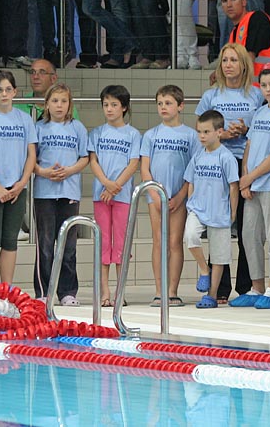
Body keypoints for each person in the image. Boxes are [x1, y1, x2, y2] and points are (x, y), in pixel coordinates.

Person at [195, 43, 263, 303]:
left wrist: (245, 130)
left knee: (247, 228)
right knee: (218, 225)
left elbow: (262, 132)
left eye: (234, 60)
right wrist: (220, 135)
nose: (229, 65)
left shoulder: (255, 95)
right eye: (225, 60)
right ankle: (219, 287)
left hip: (244, 163)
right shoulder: (212, 95)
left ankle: (246, 286)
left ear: (243, 64)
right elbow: (200, 129)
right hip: (217, 164)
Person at [229, 68, 270, 308]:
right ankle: (256, 287)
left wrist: (251, 178)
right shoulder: (259, 113)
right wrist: (245, 175)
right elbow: (249, 146)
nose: (268, 89)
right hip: (253, 183)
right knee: (249, 234)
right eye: (264, 85)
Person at [0, 70, 38, 285]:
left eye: (8, 89)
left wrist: (22, 183)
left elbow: (31, 154)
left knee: (11, 240)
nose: (4, 94)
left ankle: (7, 287)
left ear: (15, 92)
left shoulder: (25, 119)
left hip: (17, 187)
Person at [141, 84, 199, 307]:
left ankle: (172, 290)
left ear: (180, 106)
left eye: (168, 103)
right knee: (159, 241)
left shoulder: (191, 136)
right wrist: (155, 193)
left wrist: (181, 194)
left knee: (175, 242)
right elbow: (145, 167)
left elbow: (193, 170)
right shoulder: (150, 135)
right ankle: (159, 290)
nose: (163, 107)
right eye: (160, 104)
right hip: (156, 195)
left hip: (179, 196)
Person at [33, 83, 89, 305]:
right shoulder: (38, 128)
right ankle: (43, 291)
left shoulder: (78, 128)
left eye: (63, 101)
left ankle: (67, 292)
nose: (59, 105)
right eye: (55, 101)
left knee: (68, 245)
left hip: (69, 190)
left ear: (69, 105)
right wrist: (44, 172)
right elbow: (31, 160)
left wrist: (69, 171)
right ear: (46, 104)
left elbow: (84, 158)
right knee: (45, 245)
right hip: (44, 192)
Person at [88, 84, 141, 307]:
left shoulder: (133, 134)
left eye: (114, 105)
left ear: (124, 108)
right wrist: (106, 185)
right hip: (101, 193)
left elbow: (133, 163)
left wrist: (116, 186)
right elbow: (93, 161)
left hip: (122, 195)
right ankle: (105, 291)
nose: (109, 109)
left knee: (120, 243)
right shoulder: (97, 133)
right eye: (106, 105)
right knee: (103, 242)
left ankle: (120, 291)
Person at [184, 109, 239, 309]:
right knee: (190, 237)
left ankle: (212, 295)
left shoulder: (226, 157)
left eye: (206, 132)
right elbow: (190, 180)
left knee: (219, 256)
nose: (202, 136)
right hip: (198, 209)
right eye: (199, 131)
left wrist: (232, 212)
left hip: (219, 211)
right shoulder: (198, 155)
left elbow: (233, 186)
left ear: (219, 132)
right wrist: (191, 201)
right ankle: (203, 270)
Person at [220, 0, 270, 78]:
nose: (229, 5)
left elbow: (249, 57)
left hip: (265, 88)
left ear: (243, 1)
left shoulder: (257, 18)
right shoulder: (233, 33)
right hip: (250, 88)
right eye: (224, 1)